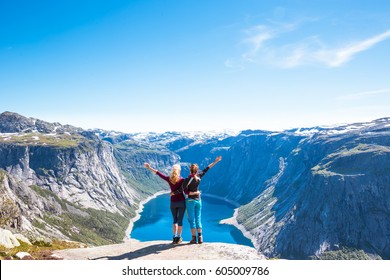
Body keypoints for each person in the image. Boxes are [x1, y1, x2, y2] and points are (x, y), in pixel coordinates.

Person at [172, 156, 222, 244]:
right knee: (198, 218)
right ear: (197, 170)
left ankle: (194, 238)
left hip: (190, 201)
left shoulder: (187, 180)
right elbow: (207, 168)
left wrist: (173, 193)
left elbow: (181, 190)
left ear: (190, 170)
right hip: (198, 201)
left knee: (192, 220)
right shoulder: (199, 177)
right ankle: (200, 237)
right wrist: (216, 161)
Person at [143, 163, 186, 244]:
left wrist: (149, 167)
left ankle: (174, 237)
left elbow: (159, 173)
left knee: (175, 220)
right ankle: (179, 237)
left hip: (173, 202)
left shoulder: (169, 179)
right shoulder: (182, 180)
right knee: (180, 221)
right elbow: (187, 186)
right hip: (181, 202)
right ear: (179, 171)